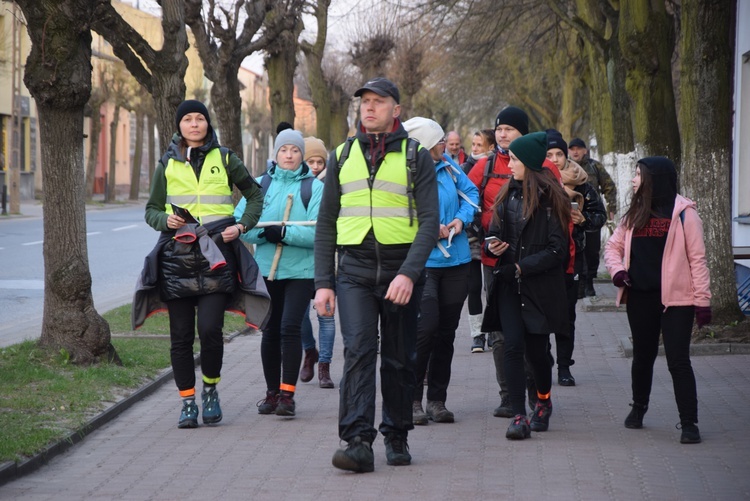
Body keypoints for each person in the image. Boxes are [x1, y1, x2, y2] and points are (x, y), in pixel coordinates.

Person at [314, 77, 439, 472]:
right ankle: (357, 442)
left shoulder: (417, 157)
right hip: (354, 270)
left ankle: (397, 433)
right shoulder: (341, 155)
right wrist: (323, 283)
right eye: (364, 102)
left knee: (400, 358)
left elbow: (431, 222)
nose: (369, 108)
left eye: (378, 102)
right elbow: (326, 222)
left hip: (401, 271)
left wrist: (409, 274)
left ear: (395, 110)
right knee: (359, 352)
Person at [141, 99, 265, 429]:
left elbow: (255, 195)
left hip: (217, 257)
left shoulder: (225, 158)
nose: (194, 124)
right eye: (188, 119)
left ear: (208, 124)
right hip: (177, 259)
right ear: (179, 125)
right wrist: (163, 220)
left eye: (200, 119)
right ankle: (187, 401)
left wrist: (240, 226)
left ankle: (210, 390)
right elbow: (151, 209)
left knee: (210, 330)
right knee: (180, 337)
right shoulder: (166, 162)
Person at [604, 156, 711, 444]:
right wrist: (618, 272)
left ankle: (689, 424)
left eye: (638, 174)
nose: (633, 180)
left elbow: (698, 261)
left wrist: (702, 302)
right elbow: (612, 247)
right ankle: (638, 408)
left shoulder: (685, 214)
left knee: (678, 361)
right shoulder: (634, 213)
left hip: (678, 301)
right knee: (643, 357)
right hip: (640, 298)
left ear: (654, 179)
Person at [483, 131, 570, 440]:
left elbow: (558, 250)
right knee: (511, 345)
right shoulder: (507, 194)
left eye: (515, 160)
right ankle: (519, 414)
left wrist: (522, 266)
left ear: (530, 164)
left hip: (538, 288)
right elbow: (494, 233)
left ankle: (543, 402)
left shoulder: (551, 199)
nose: (509, 166)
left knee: (537, 353)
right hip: (508, 284)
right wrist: (493, 245)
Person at [236, 129, 323, 417]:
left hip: (300, 272)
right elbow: (242, 223)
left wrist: (284, 233)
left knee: (289, 327)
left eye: (295, 150)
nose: (289, 155)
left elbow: (319, 232)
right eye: (284, 150)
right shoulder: (260, 184)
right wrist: (265, 234)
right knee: (270, 331)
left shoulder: (314, 187)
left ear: (302, 155)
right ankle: (272, 393)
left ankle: (288, 394)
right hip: (266, 272)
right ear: (275, 154)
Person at [402, 117, 479, 426]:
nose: (444, 146)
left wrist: (460, 221)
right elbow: (399, 210)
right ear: (422, 145)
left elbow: (471, 195)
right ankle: (412, 399)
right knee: (426, 329)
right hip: (424, 263)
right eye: (438, 142)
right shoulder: (406, 172)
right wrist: (429, 228)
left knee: (447, 333)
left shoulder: (449, 166)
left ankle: (437, 400)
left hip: (457, 261)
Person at [467, 105, 528, 417]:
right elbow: (465, 199)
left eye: (510, 129)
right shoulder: (486, 165)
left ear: (522, 134)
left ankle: (535, 390)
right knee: (502, 330)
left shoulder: (540, 165)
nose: (503, 134)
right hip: (495, 261)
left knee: (532, 328)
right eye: (499, 129)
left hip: (532, 262)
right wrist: (483, 232)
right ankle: (508, 395)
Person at [545, 130, 606, 386]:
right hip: (542, 259)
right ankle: (543, 360)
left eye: (560, 153)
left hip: (572, 258)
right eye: (549, 154)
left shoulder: (583, 184)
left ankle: (564, 367)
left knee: (566, 315)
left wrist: (584, 221)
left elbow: (599, 216)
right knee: (542, 315)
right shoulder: (536, 181)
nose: (556, 159)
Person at [299, 136, 336, 388]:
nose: (314, 165)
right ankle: (309, 350)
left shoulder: (334, 184)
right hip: (299, 260)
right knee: (299, 315)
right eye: (309, 161)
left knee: (327, 315)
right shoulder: (298, 185)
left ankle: (324, 366)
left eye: (319, 161)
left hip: (327, 259)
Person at [568, 138, 618, 297]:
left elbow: (609, 187)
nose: (575, 151)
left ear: (585, 150)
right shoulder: (566, 167)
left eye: (579, 148)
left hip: (591, 213)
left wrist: (611, 208)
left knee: (592, 250)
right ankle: (579, 282)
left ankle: (589, 281)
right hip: (572, 216)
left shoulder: (594, 166)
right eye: (572, 148)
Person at [461, 129, 496, 353]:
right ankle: (477, 335)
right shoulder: (464, 169)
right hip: (471, 237)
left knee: (491, 287)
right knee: (473, 287)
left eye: (479, 145)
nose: (474, 149)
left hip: (493, 235)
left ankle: (493, 330)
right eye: (473, 144)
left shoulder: (498, 168)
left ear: (490, 147)